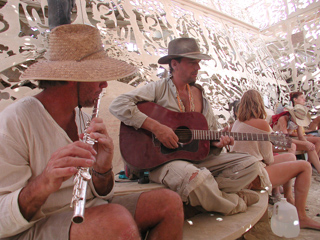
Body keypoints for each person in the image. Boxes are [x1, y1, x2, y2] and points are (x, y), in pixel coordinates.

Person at [0, 24, 184, 240]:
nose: (104, 84)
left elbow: (103, 194)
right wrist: (44, 182)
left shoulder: (84, 119)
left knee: (170, 203)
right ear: (70, 77)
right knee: (116, 220)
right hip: (37, 225)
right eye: (98, 76)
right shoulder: (15, 121)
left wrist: (103, 169)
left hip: (88, 210)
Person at [109, 37, 261, 216]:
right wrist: (156, 127)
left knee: (251, 164)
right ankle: (235, 202)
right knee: (193, 177)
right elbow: (118, 105)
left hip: (197, 160)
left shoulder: (200, 95)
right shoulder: (158, 88)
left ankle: (203, 196)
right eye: (192, 63)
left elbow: (209, 134)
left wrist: (216, 142)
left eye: (198, 63)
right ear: (174, 64)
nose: (198, 67)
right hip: (160, 162)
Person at [231, 89, 320, 230]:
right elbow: (268, 159)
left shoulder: (237, 123)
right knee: (305, 166)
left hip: (241, 172)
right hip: (252, 176)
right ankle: (302, 217)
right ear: (259, 104)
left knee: (291, 157)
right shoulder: (261, 124)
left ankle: (289, 197)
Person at [272, 102, 320, 173]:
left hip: (286, 140)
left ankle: (317, 169)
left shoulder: (298, 122)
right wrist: (304, 143)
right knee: (292, 146)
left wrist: (307, 143)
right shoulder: (283, 119)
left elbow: (301, 136)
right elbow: (285, 138)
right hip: (276, 139)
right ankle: (290, 170)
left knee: (310, 147)